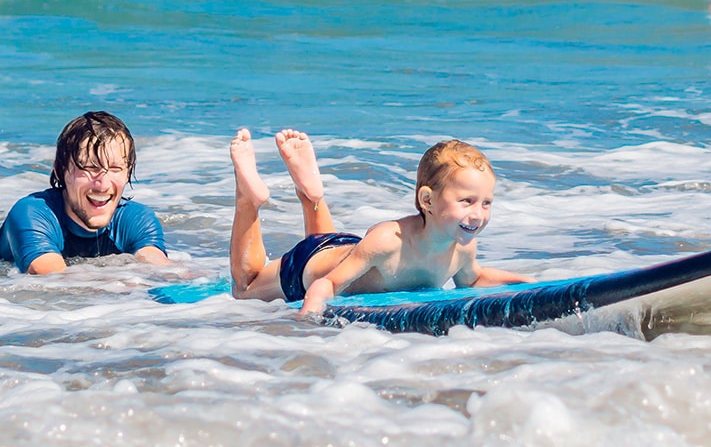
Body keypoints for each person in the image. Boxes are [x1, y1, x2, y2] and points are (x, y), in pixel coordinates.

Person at [228, 128, 532, 315]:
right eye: (467, 201)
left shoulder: (462, 248)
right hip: (305, 268)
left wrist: (528, 282)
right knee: (244, 287)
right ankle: (249, 199)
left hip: (343, 250)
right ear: (427, 200)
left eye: (486, 203)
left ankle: (311, 193)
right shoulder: (389, 241)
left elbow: (473, 279)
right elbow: (327, 283)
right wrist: (309, 321)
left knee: (330, 252)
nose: (478, 214)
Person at [0, 111, 171, 274]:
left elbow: (158, 266)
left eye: (116, 169)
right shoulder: (32, 213)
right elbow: (54, 279)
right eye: (90, 168)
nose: (103, 185)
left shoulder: (137, 218)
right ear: (61, 171)